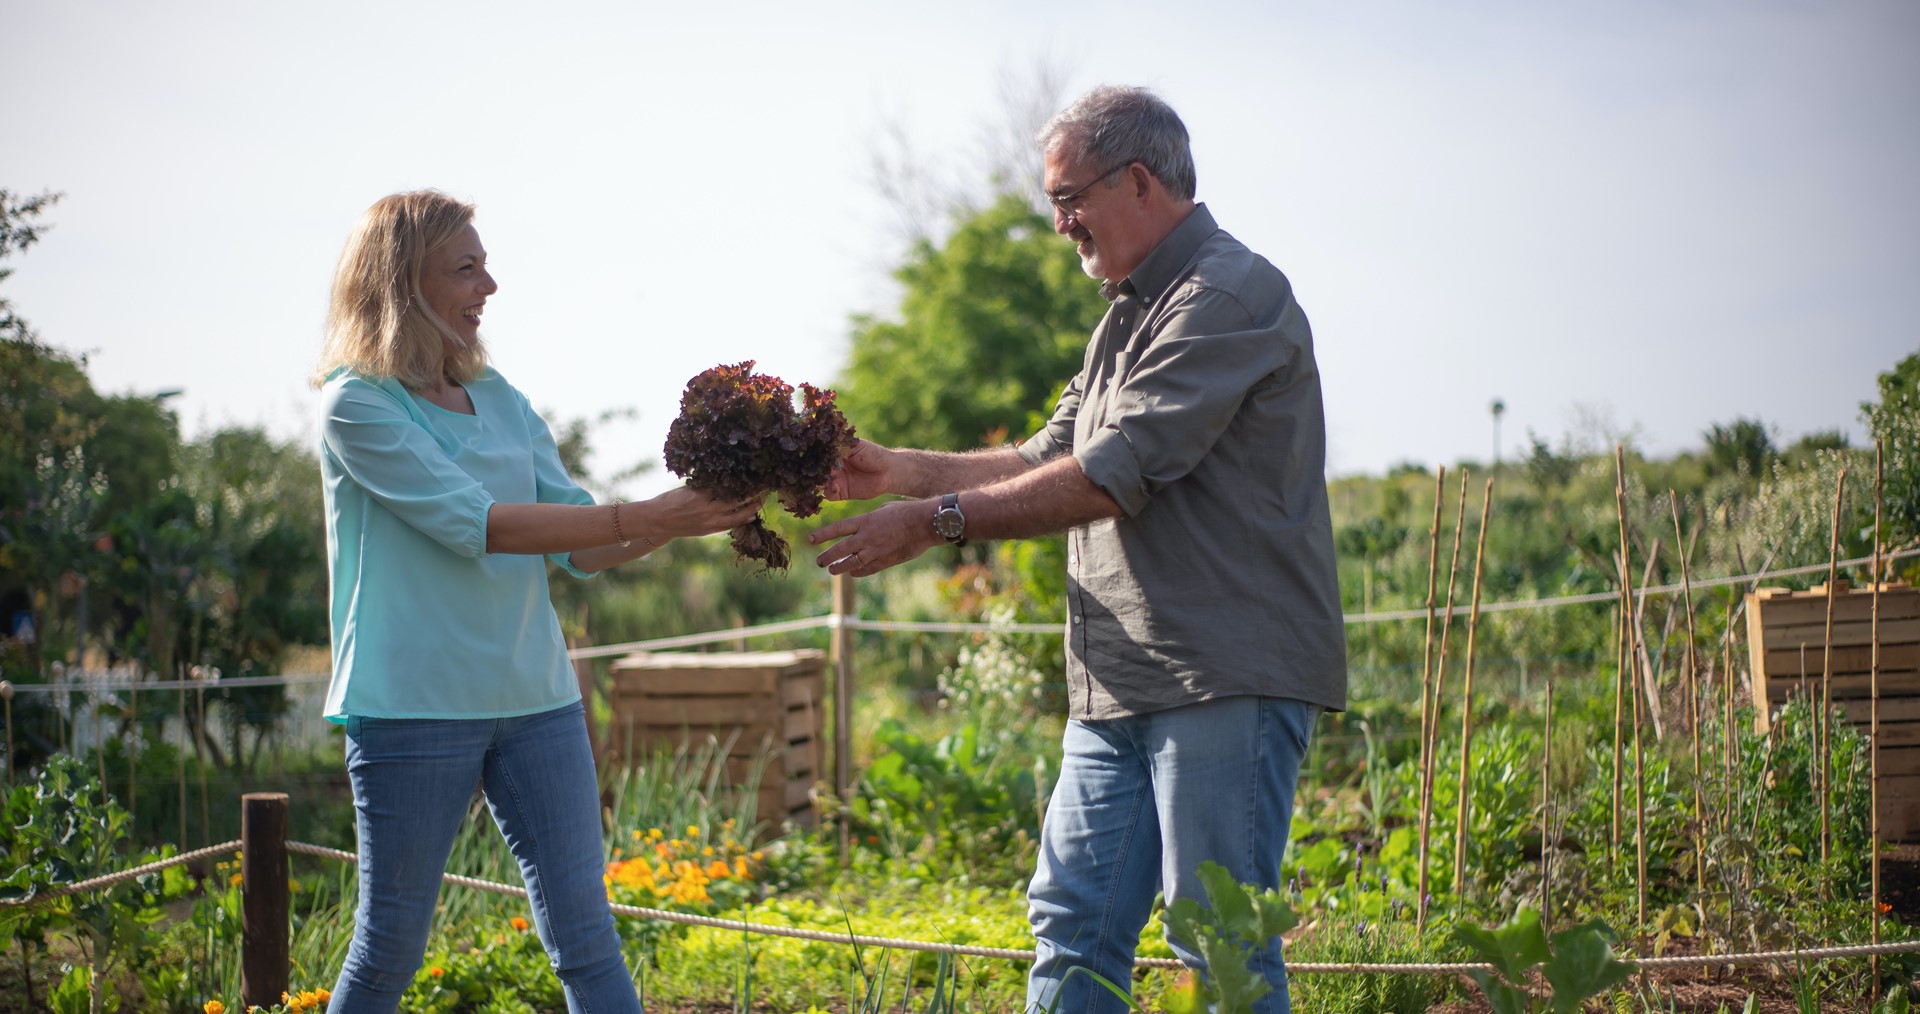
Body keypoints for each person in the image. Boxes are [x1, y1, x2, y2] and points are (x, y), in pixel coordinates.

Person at [808, 86, 1346, 1013]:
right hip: (1119, 685)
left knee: (1217, 949)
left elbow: (1111, 472)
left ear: (1138, 182)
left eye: (1069, 199)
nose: (1059, 224)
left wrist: (934, 523)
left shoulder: (1226, 295)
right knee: (1072, 926)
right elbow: (1043, 456)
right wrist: (899, 471)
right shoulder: (1126, 315)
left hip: (1220, 673)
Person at [311, 190, 760, 1012]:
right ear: (405, 282)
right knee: (390, 950)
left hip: (537, 702)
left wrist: (690, 515)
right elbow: (474, 524)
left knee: (586, 935)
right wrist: (652, 515)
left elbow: (583, 542)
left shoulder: (505, 402)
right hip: (413, 709)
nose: (490, 285)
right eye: (467, 267)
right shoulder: (358, 407)